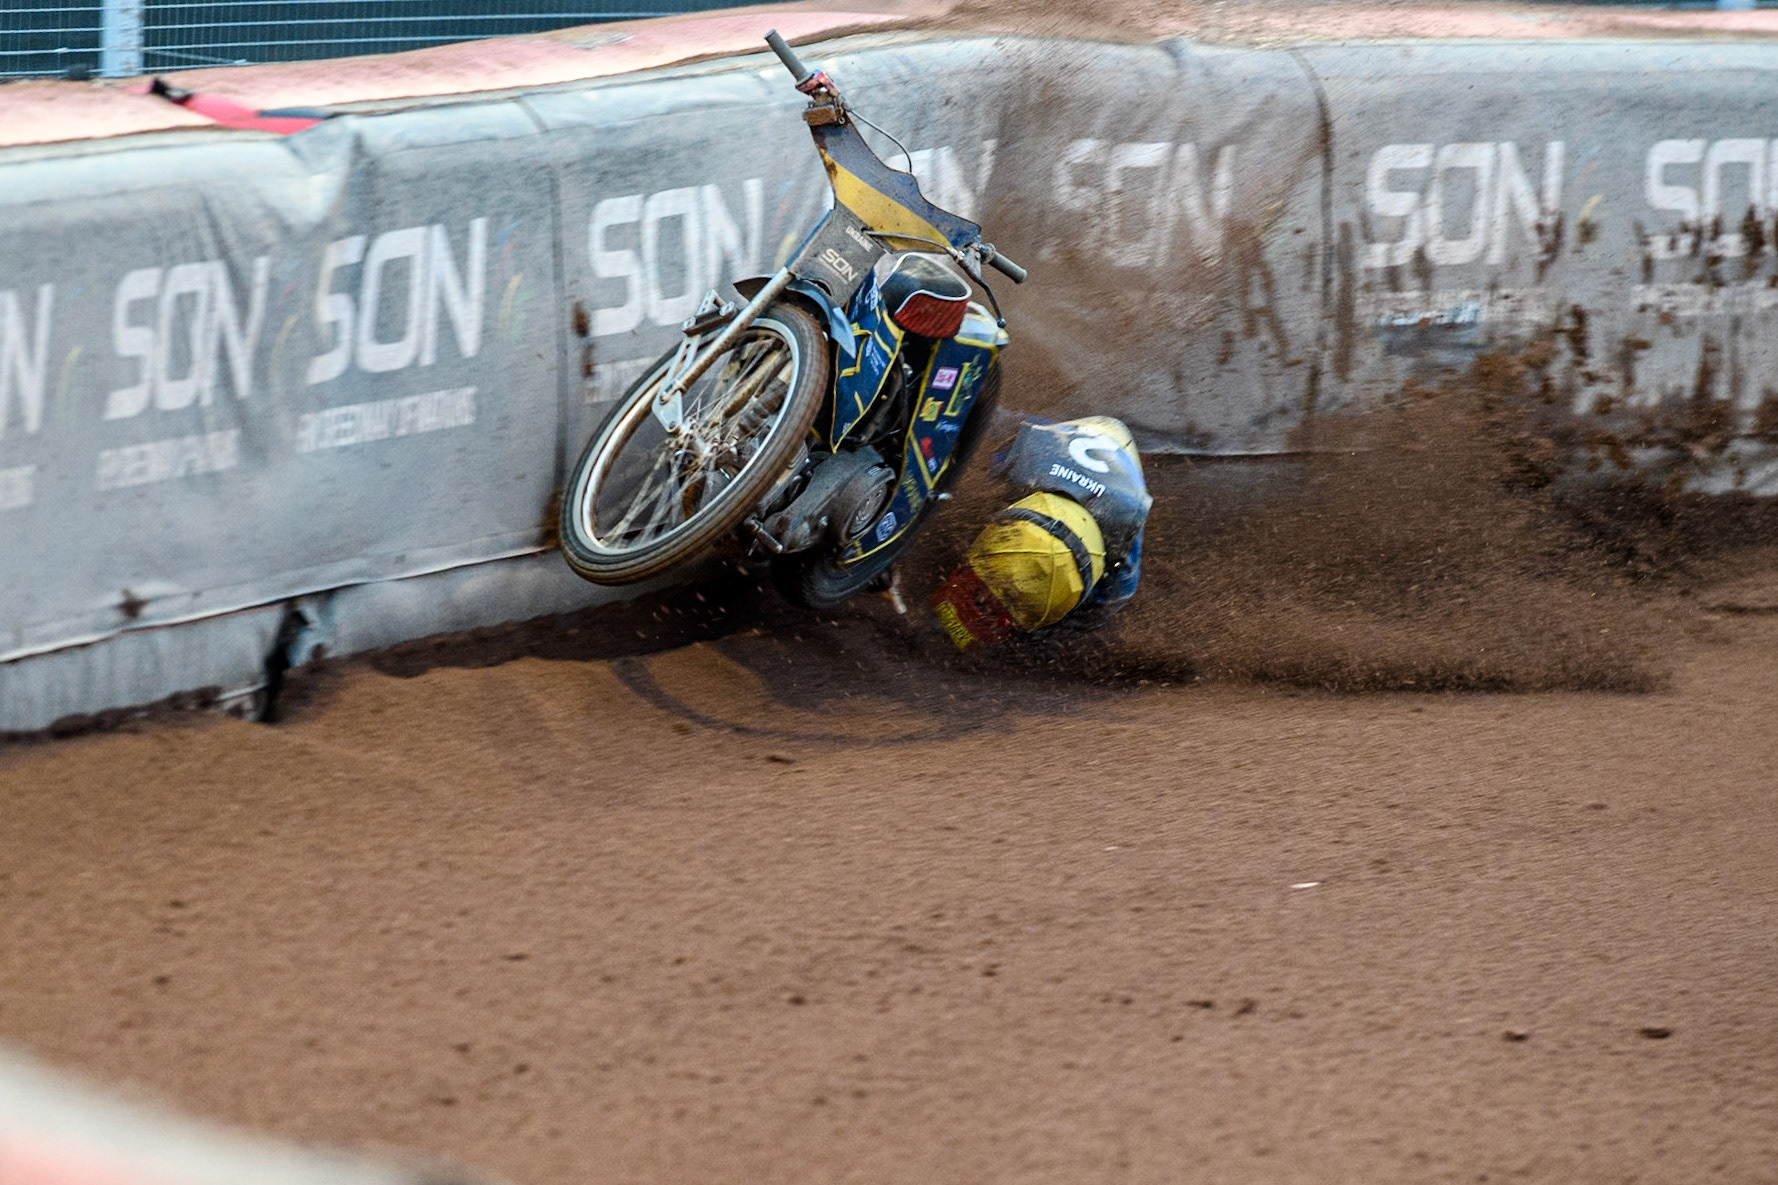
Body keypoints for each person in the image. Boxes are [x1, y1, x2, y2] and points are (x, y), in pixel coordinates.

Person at [931, 415, 1151, 650]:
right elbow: (1110, 600)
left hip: (1051, 487)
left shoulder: (1124, 535)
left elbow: (1101, 609)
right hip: (1056, 457)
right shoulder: (1033, 456)